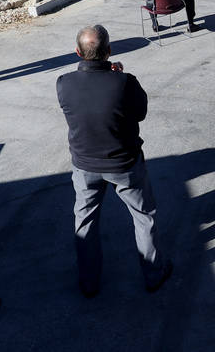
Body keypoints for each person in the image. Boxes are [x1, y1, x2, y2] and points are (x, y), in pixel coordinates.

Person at [56, 25, 173, 296]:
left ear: (77, 53)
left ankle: (88, 282)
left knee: (85, 222)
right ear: (109, 52)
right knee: (144, 217)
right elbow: (140, 112)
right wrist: (119, 76)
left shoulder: (64, 84)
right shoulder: (124, 82)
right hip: (125, 164)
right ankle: (154, 274)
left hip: (84, 165)